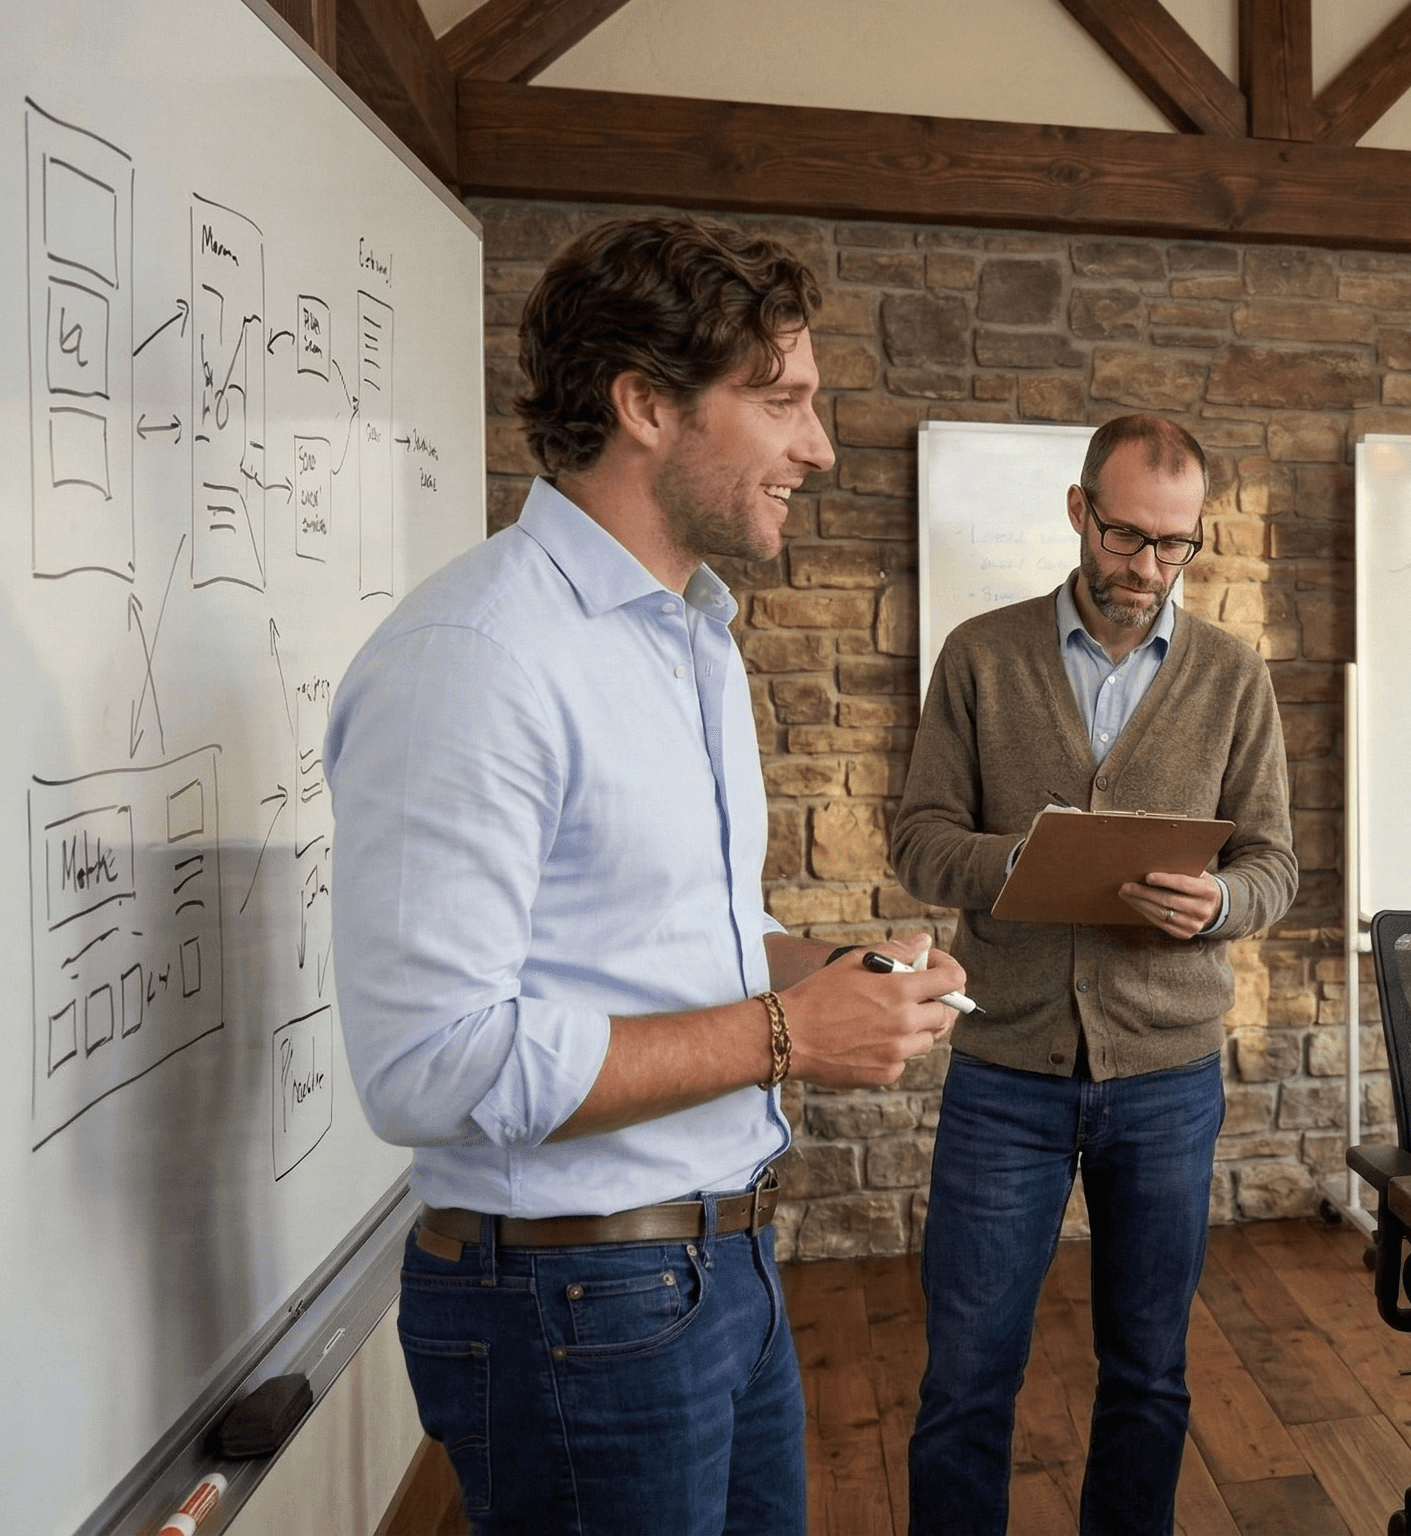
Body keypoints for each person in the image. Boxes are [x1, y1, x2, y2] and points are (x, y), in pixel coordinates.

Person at [327, 215, 968, 1535]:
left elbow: (681, 930)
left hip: (719, 1267)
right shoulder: (475, 658)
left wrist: (829, 973)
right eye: (781, 401)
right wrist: (793, 1033)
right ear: (645, 406)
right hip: (572, 1307)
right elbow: (432, 1066)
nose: (819, 446)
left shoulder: (690, 636)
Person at [889, 413, 1298, 1536]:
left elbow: (1274, 866)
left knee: (1150, 1374)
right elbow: (920, 841)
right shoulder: (980, 655)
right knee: (965, 1379)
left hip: (1167, 1077)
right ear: (1079, 511)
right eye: (1125, 537)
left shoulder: (1231, 676)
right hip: (1006, 1070)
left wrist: (1220, 905)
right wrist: (1024, 861)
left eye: (1175, 545)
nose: (1148, 569)